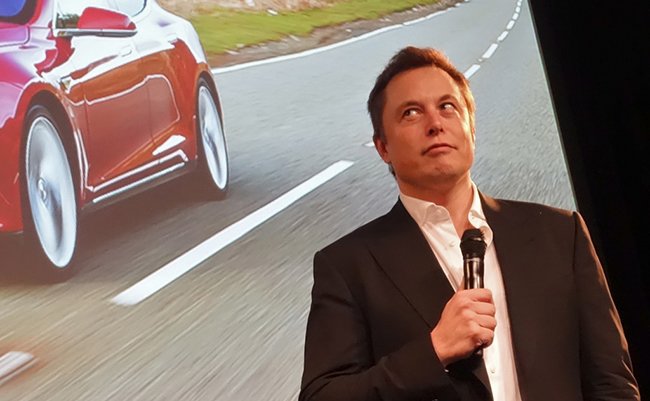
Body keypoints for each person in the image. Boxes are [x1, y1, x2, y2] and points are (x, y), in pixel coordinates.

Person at [299, 47, 639, 401]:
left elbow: (612, 385)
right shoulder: (347, 266)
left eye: (447, 107)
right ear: (382, 147)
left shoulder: (561, 234)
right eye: (411, 113)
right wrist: (433, 351)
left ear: (471, 128)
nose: (435, 124)